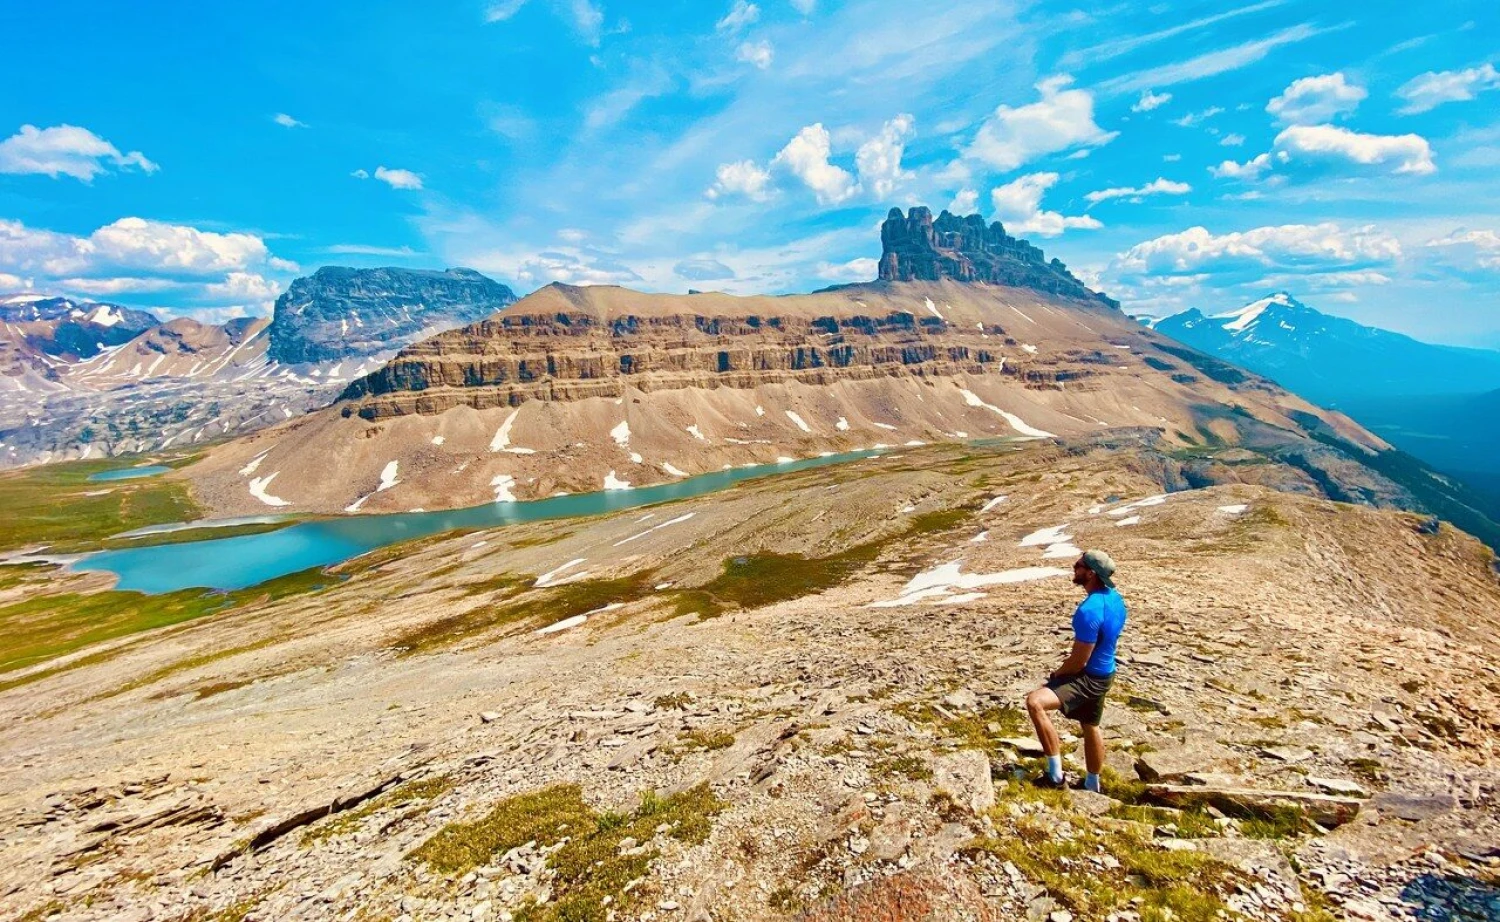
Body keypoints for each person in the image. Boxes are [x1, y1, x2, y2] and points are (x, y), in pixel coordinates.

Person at [1024, 549, 1127, 792]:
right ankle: (1092, 784)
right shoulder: (1115, 598)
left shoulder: (1089, 611)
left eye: (1079, 565)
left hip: (1089, 676)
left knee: (1035, 703)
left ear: (1090, 573)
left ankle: (1056, 777)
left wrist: (1059, 674)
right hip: (1106, 672)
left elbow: (1080, 660)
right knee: (1090, 725)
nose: (1074, 566)